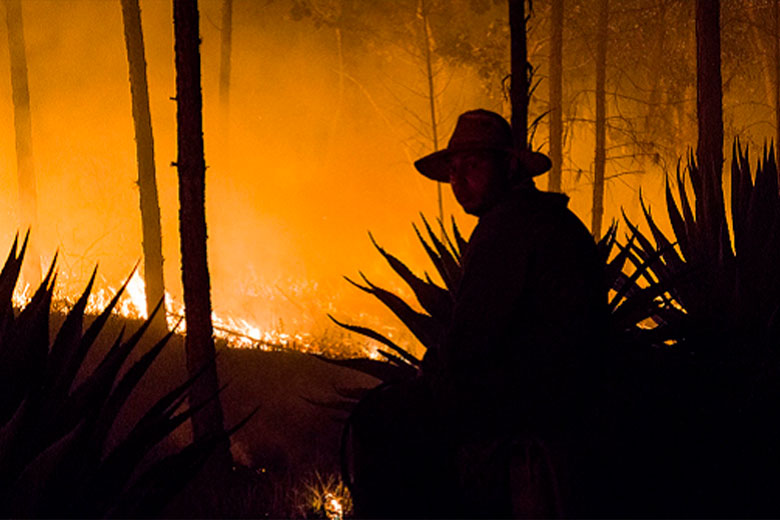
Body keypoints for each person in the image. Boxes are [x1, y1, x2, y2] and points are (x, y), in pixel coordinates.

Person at [349, 109, 610, 518]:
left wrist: (431, 374)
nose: (458, 180)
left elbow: (472, 337)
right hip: (569, 392)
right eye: (453, 169)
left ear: (508, 165)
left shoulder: (507, 228)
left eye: (472, 165)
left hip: (535, 400)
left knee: (382, 423)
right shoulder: (553, 219)